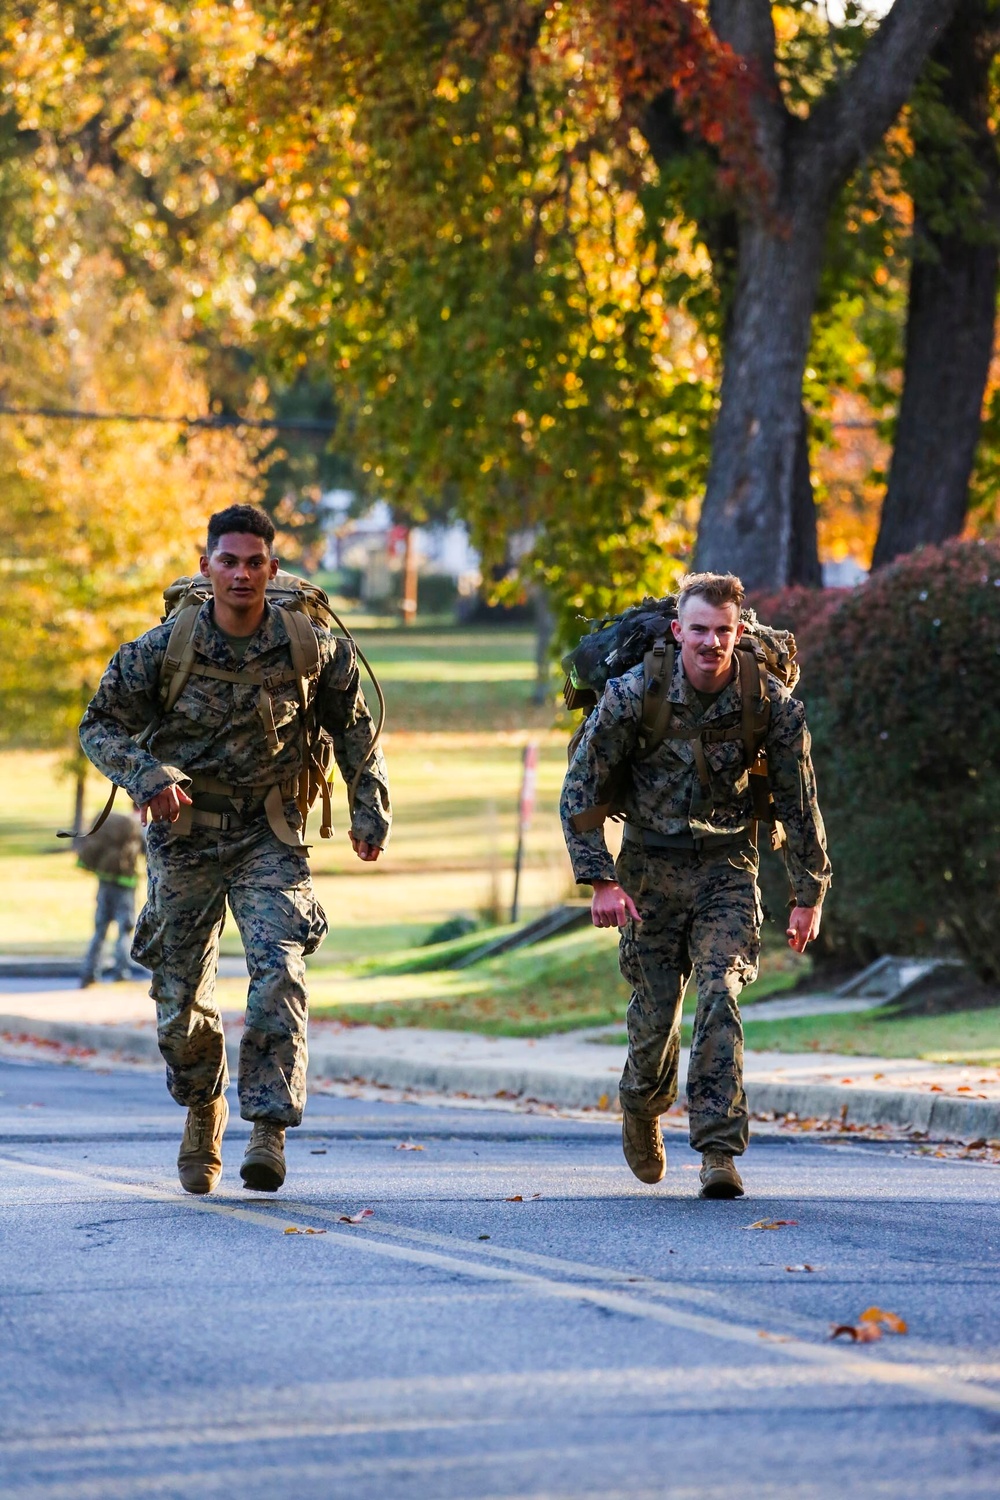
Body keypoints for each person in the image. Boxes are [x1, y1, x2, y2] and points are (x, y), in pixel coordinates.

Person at [79, 504, 391, 1196]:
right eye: (229, 561)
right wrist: (147, 774)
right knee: (179, 998)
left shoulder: (308, 645)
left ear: (271, 569)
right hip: (184, 836)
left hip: (269, 834)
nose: (242, 574)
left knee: (279, 973)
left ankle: (268, 1129)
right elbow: (97, 726)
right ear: (207, 566)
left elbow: (355, 728)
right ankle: (203, 1106)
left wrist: (370, 809)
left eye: (255, 562)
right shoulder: (164, 648)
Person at [560, 571, 830, 1199]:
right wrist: (598, 879)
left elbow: (799, 801)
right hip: (648, 873)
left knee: (719, 993)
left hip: (726, 870)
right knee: (655, 1020)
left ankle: (717, 1150)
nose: (711, 643)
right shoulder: (634, 694)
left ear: (739, 634)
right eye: (700, 630)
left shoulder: (770, 705)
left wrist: (807, 891)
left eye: (724, 632)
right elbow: (581, 789)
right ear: (679, 631)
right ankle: (640, 1104)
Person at [75, 808, 145, 986]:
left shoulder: (110, 826)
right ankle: (121, 971)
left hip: (105, 883)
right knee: (125, 930)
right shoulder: (135, 827)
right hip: (125, 885)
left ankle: (89, 972)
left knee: (100, 930)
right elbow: (146, 850)